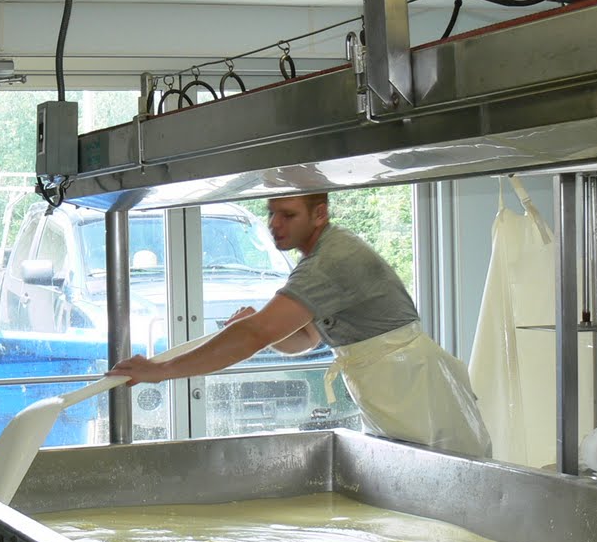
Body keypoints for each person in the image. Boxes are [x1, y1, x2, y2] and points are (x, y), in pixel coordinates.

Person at [110, 192, 491, 458]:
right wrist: (262, 328)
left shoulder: (332, 260)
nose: (275, 224)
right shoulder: (317, 256)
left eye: (288, 215)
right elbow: (306, 339)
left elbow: (255, 335)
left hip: (419, 392)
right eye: (271, 213)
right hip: (395, 397)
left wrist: (160, 370)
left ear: (320, 215)